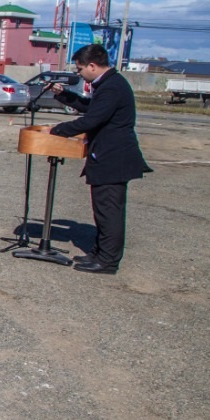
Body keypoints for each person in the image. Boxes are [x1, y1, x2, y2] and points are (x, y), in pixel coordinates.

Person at [49, 43, 150, 274]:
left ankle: (108, 261)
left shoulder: (112, 87)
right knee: (102, 211)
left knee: (109, 212)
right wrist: (63, 95)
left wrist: (57, 130)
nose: (79, 73)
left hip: (113, 158)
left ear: (92, 66)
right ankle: (100, 252)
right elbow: (91, 108)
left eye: (80, 69)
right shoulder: (107, 84)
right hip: (107, 157)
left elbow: (91, 120)